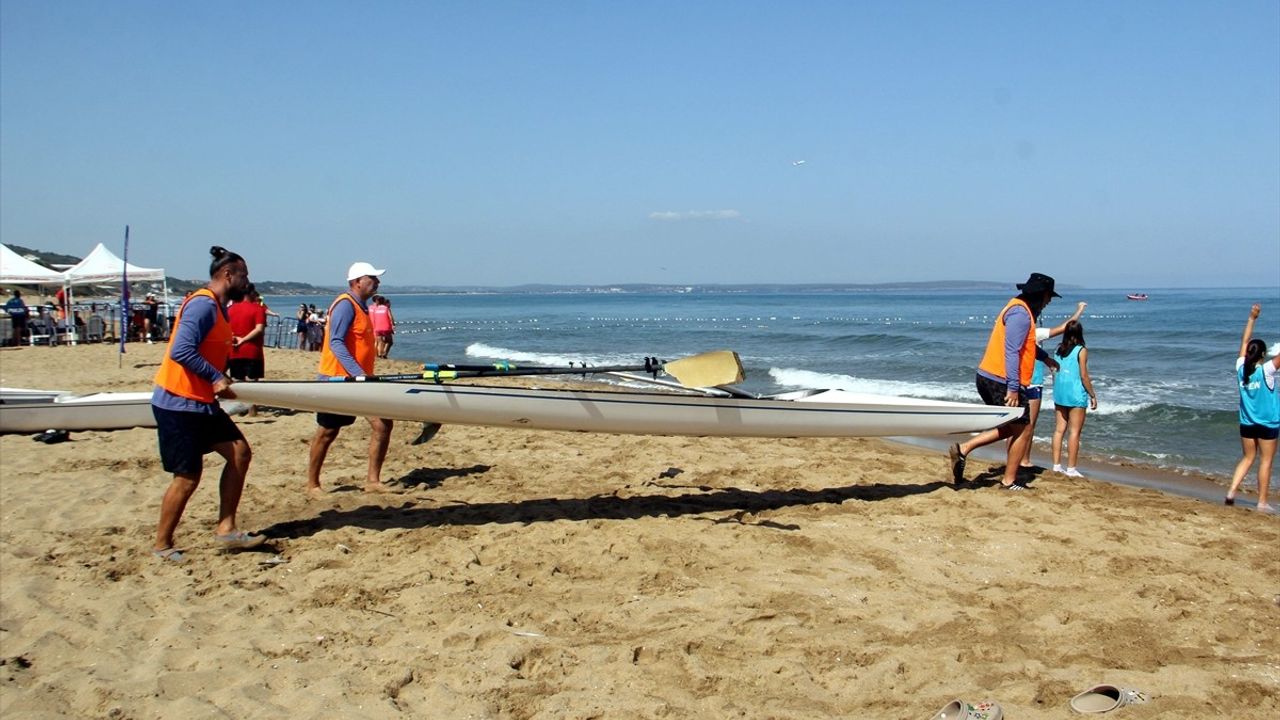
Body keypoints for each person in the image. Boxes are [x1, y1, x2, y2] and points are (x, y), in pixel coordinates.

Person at [150, 246, 265, 562]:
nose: (247, 280)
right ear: (228, 275)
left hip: (200, 402)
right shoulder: (202, 305)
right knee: (187, 477)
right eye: (244, 275)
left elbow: (206, 350)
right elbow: (180, 351)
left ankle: (226, 530)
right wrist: (216, 377)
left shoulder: (219, 306)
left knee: (240, 453)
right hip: (177, 402)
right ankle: (162, 544)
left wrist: (222, 379)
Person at [948, 272, 1061, 490]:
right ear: (1042, 294)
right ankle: (1009, 481)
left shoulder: (1020, 309)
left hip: (992, 376)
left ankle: (964, 449)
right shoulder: (1020, 313)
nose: (1048, 303)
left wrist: (1045, 358)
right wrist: (1012, 388)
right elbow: (1012, 351)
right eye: (1049, 298)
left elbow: (1024, 344)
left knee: (1015, 427)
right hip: (999, 379)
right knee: (1023, 428)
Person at [306, 261, 395, 495]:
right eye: (372, 278)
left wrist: (364, 376)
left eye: (376, 279)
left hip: (360, 382)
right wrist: (357, 374)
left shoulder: (362, 306)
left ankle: (373, 481)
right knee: (327, 432)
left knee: (382, 423)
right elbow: (335, 342)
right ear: (356, 282)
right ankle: (312, 484)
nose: (377, 282)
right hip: (337, 381)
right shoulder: (345, 305)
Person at [1017, 301, 1087, 469]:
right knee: (1029, 425)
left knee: (1018, 424)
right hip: (1033, 382)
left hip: (1018, 380)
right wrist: (1079, 310)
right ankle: (1024, 460)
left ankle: (1018, 458)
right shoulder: (1035, 333)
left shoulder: (1018, 333)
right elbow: (1064, 327)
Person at [1224, 303, 1279, 512]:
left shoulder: (1240, 369)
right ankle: (1262, 502)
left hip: (1247, 423)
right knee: (1265, 462)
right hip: (1267, 425)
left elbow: (1244, 341)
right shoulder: (1267, 371)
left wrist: (1252, 318)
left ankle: (1231, 492)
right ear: (1263, 355)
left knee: (1248, 458)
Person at [1049, 320, 1098, 477]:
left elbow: (1054, 371)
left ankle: (1056, 465)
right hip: (1075, 394)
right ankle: (1071, 468)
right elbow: (1084, 375)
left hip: (1060, 392)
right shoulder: (1081, 350)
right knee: (1074, 432)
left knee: (1059, 430)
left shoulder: (1058, 350)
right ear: (1079, 333)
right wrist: (1092, 395)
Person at [228, 284, 268, 382]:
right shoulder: (258, 309)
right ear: (251, 293)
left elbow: (226, 327)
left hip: (235, 350)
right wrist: (244, 339)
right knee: (252, 385)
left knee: (239, 384)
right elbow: (259, 329)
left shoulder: (231, 309)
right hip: (252, 351)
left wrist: (235, 337)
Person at [370, 294, 396, 359]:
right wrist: (393, 325)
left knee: (380, 342)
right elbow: (391, 318)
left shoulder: (375, 309)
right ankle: (384, 353)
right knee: (390, 342)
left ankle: (379, 355)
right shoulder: (386, 308)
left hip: (377, 328)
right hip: (386, 328)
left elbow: (374, 318)